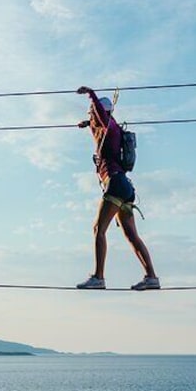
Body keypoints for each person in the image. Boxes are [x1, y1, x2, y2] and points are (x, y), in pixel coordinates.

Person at [75, 86, 160, 290]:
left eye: (92, 113)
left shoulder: (107, 124)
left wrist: (91, 94)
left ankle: (98, 277)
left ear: (99, 112)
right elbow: (102, 125)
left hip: (114, 184)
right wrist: (88, 124)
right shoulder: (112, 127)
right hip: (125, 188)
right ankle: (151, 277)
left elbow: (100, 117)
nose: (91, 115)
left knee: (98, 229)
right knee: (131, 236)